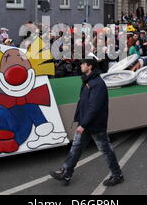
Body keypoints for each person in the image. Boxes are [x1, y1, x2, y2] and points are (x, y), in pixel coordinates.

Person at [50, 57, 124, 187]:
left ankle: (117, 175)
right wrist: (82, 121)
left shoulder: (97, 83)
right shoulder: (88, 81)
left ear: (90, 66)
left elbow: (94, 107)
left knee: (105, 150)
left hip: (94, 125)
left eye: (83, 64)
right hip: (86, 122)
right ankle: (66, 173)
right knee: (76, 148)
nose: (81, 66)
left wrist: (83, 124)